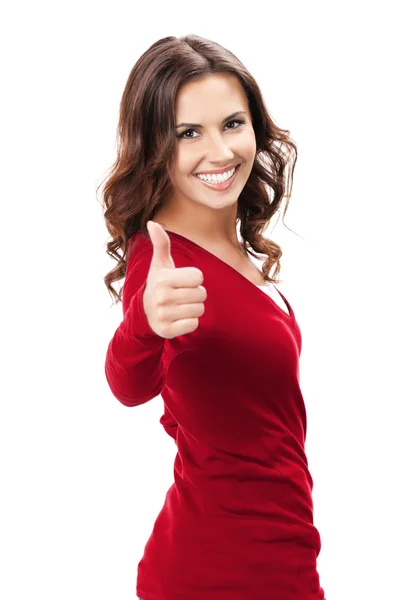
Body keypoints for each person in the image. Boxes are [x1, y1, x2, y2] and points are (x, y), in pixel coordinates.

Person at [102, 34, 326, 600]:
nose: (221, 153)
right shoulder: (160, 258)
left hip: (270, 547)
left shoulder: (232, 245)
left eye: (232, 123)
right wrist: (143, 325)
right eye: (187, 133)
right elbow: (128, 384)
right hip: (225, 569)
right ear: (154, 145)